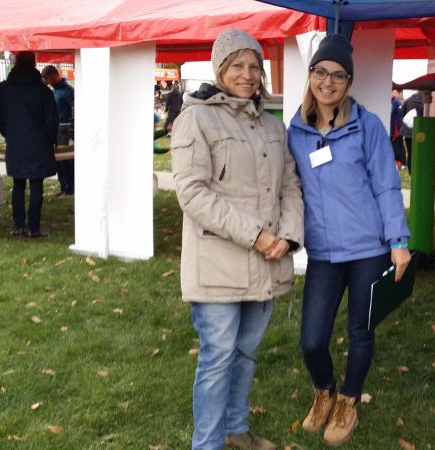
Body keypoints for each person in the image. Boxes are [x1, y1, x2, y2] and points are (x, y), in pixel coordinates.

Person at [170, 28, 304, 450]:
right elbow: (192, 193)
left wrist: (288, 237)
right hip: (218, 265)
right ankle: (207, 444)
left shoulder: (272, 126)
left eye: (254, 66)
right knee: (218, 358)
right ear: (220, 69)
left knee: (245, 353)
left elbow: (290, 187)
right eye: (237, 66)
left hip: (267, 261)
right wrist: (257, 236)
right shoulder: (196, 119)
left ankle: (236, 428)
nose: (247, 74)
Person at [286, 34, 411, 446]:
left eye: (338, 75)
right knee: (312, 340)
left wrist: (398, 240)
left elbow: (387, 185)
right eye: (321, 72)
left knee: (361, 331)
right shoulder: (296, 131)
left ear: (349, 82)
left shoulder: (367, 126)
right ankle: (324, 391)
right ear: (310, 75)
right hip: (323, 252)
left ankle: (348, 401)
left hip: (368, 249)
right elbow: (288, 187)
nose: (328, 82)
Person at [0, 51, 58, 238]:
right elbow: (52, 121)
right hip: (40, 143)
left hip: (16, 143)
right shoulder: (44, 91)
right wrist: (49, 139)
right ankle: (34, 228)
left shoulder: (3, 89)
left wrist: (10, 134)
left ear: (15, 63)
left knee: (18, 183)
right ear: (34, 64)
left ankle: (19, 226)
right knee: (37, 184)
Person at [41, 65, 75, 197]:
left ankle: (70, 188)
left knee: (66, 160)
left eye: (47, 78)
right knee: (58, 160)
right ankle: (63, 186)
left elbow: (74, 109)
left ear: (54, 75)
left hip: (65, 129)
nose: (46, 81)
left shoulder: (68, 91)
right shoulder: (53, 91)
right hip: (55, 129)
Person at [400, 90, 424, 173]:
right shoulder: (427, 102)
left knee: (410, 152)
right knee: (420, 153)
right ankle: (419, 171)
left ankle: (411, 171)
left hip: (408, 131)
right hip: (421, 131)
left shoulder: (408, 100)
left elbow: (403, 113)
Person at [390, 88, 407, 168]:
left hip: (396, 131)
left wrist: (399, 130)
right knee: (393, 146)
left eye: (395, 92)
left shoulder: (397, 103)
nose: (393, 94)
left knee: (398, 147)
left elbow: (399, 118)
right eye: (393, 92)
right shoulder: (389, 102)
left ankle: (402, 163)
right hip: (390, 129)